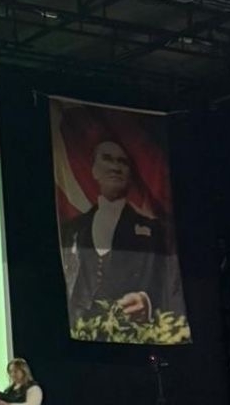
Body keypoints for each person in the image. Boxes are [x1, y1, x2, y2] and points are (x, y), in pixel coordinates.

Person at [61, 139, 185, 327]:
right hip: (81, 327)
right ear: (94, 170)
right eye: (107, 159)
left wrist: (147, 302)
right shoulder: (73, 229)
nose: (115, 167)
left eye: (122, 162)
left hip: (129, 328)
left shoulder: (154, 230)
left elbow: (168, 283)